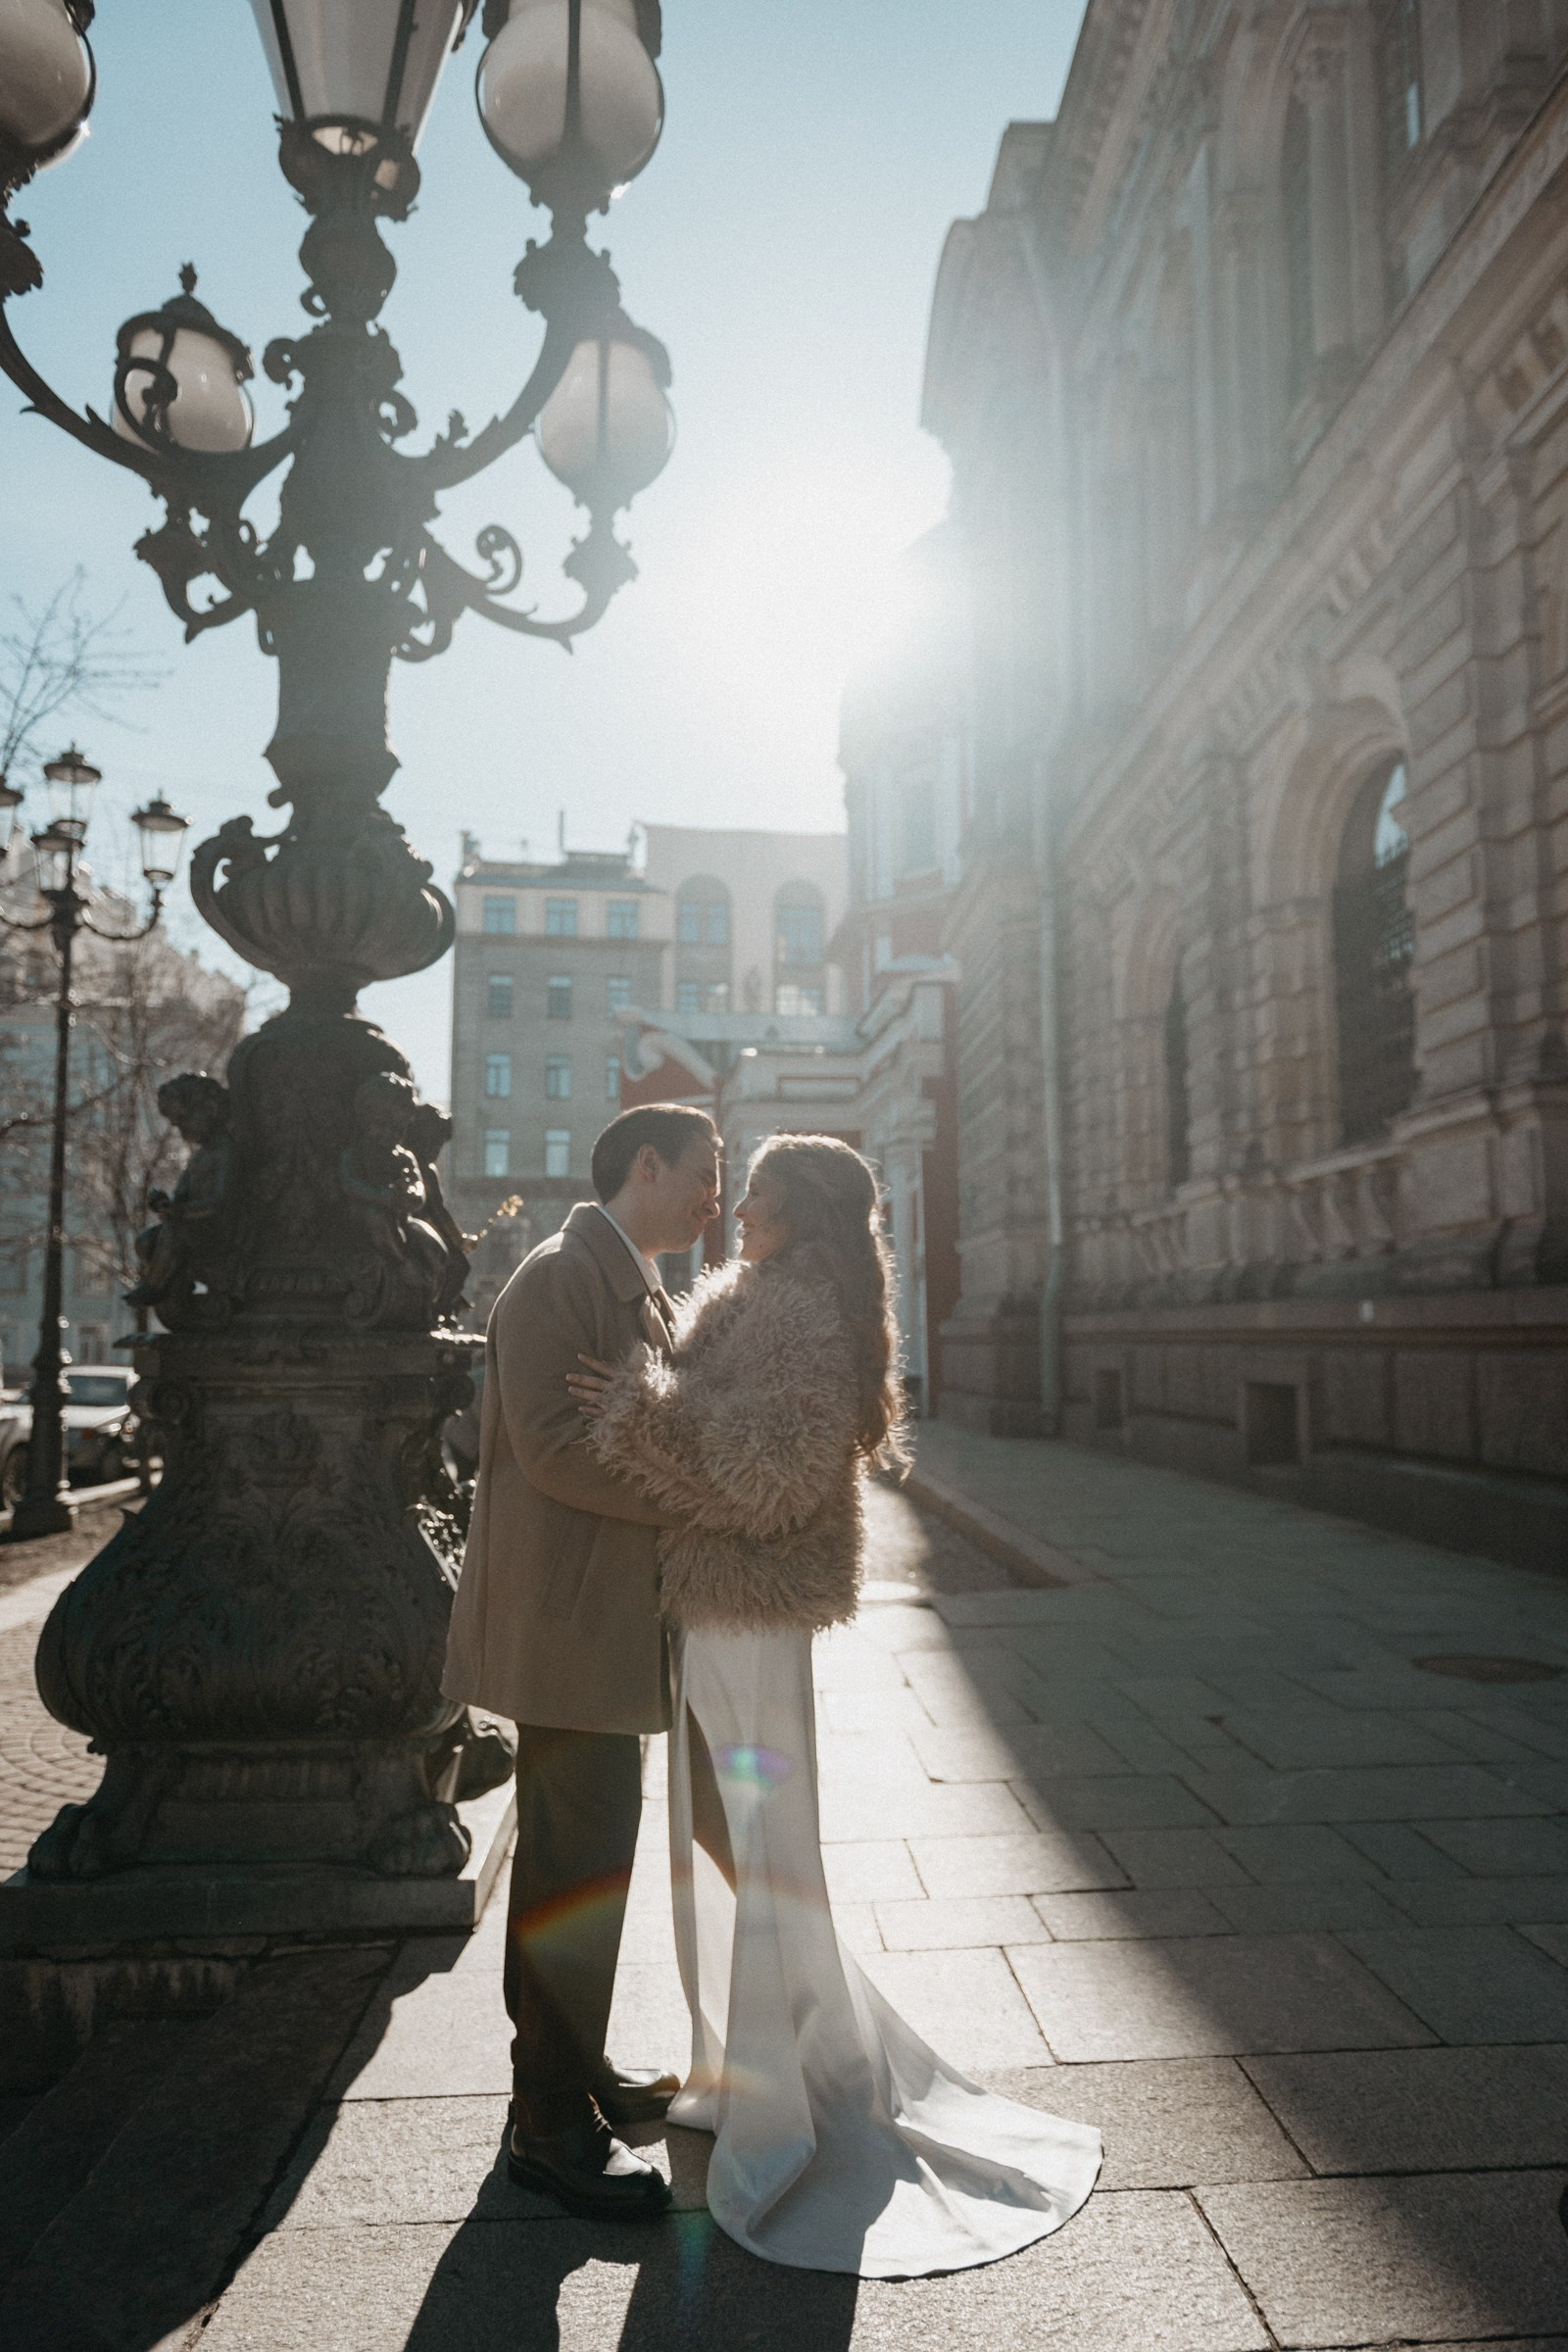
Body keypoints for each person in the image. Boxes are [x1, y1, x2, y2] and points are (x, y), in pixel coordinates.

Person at [570, 1133, 1102, 2277]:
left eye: (755, 1194)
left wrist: (638, 1410)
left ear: (803, 1210)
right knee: (731, 1844)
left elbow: (775, 1473)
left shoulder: (798, 1311)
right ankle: (755, 2069)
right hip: (717, 1601)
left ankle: (788, 2103)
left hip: (748, 1607)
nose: (736, 1210)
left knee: (758, 1847)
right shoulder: (764, 1295)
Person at [442, 1102, 721, 2221]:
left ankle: (570, 2074)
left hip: (598, 1625)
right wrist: (698, 1491)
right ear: (645, 1164)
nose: (714, 1197)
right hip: (569, 1626)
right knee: (579, 1872)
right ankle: (550, 2126)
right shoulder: (563, 1277)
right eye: (705, 1171)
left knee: (575, 1864)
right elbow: (557, 1452)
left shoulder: (628, 1282)